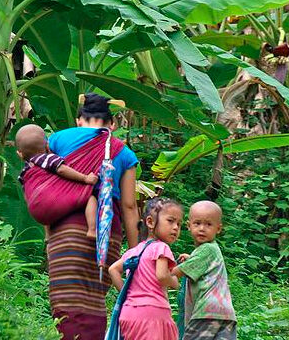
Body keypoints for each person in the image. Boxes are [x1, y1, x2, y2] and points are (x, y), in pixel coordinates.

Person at [46, 93, 140, 340]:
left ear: (79, 120)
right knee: (93, 296)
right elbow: (129, 206)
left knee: (67, 296)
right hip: (107, 232)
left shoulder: (56, 140)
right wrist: (135, 254)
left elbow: (44, 183)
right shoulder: (124, 152)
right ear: (112, 125)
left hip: (64, 228)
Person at [108, 197, 183, 340]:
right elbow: (161, 276)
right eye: (170, 221)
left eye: (179, 224)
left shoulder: (133, 252)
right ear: (150, 222)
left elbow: (113, 269)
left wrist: (128, 295)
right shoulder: (161, 247)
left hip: (129, 313)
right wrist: (174, 282)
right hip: (153, 313)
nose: (175, 227)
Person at [16, 124, 99, 238]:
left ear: (19, 154)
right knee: (90, 197)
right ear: (47, 146)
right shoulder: (48, 158)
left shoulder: (24, 172)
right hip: (53, 203)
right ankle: (92, 230)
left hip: (37, 211)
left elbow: (27, 194)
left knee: (43, 197)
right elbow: (62, 170)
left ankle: (48, 235)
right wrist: (85, 178)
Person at [172, 201, 237, 340]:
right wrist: (191, 258)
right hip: (225, 314)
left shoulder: (206, 249)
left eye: (208, 224)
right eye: (197, 223)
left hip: (206, 313)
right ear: (189, 226)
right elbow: (204, 265)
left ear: (218, 228)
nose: (202, 228)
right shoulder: (212, 249)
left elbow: (174, 273)